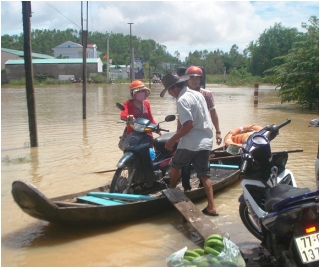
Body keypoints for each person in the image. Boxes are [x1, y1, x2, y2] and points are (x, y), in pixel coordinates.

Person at [160, 73, 219, 216]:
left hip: (191, 142)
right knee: (204, 175)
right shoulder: (198, 94)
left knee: (175, 164)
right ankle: (211, 207)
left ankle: (172, 192)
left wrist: (173, 139)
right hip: (205, 140)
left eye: (169, 90)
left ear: (174, 87)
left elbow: (188, 125)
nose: (169, 93)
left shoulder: (182, 100)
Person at [181, 66, 222, 191]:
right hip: (188, 132)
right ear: (187, 79)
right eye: (191, 78)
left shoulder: (207, 94)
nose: (194, 81)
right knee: (185, 162)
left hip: (203, 132)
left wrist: (218, 132)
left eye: (197, 78)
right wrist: (178, 134)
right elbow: (180, 115)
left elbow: (213, 113)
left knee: (204, 162)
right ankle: (186, 187)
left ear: (201, 79)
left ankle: (201, 187)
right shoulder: (182, 93)